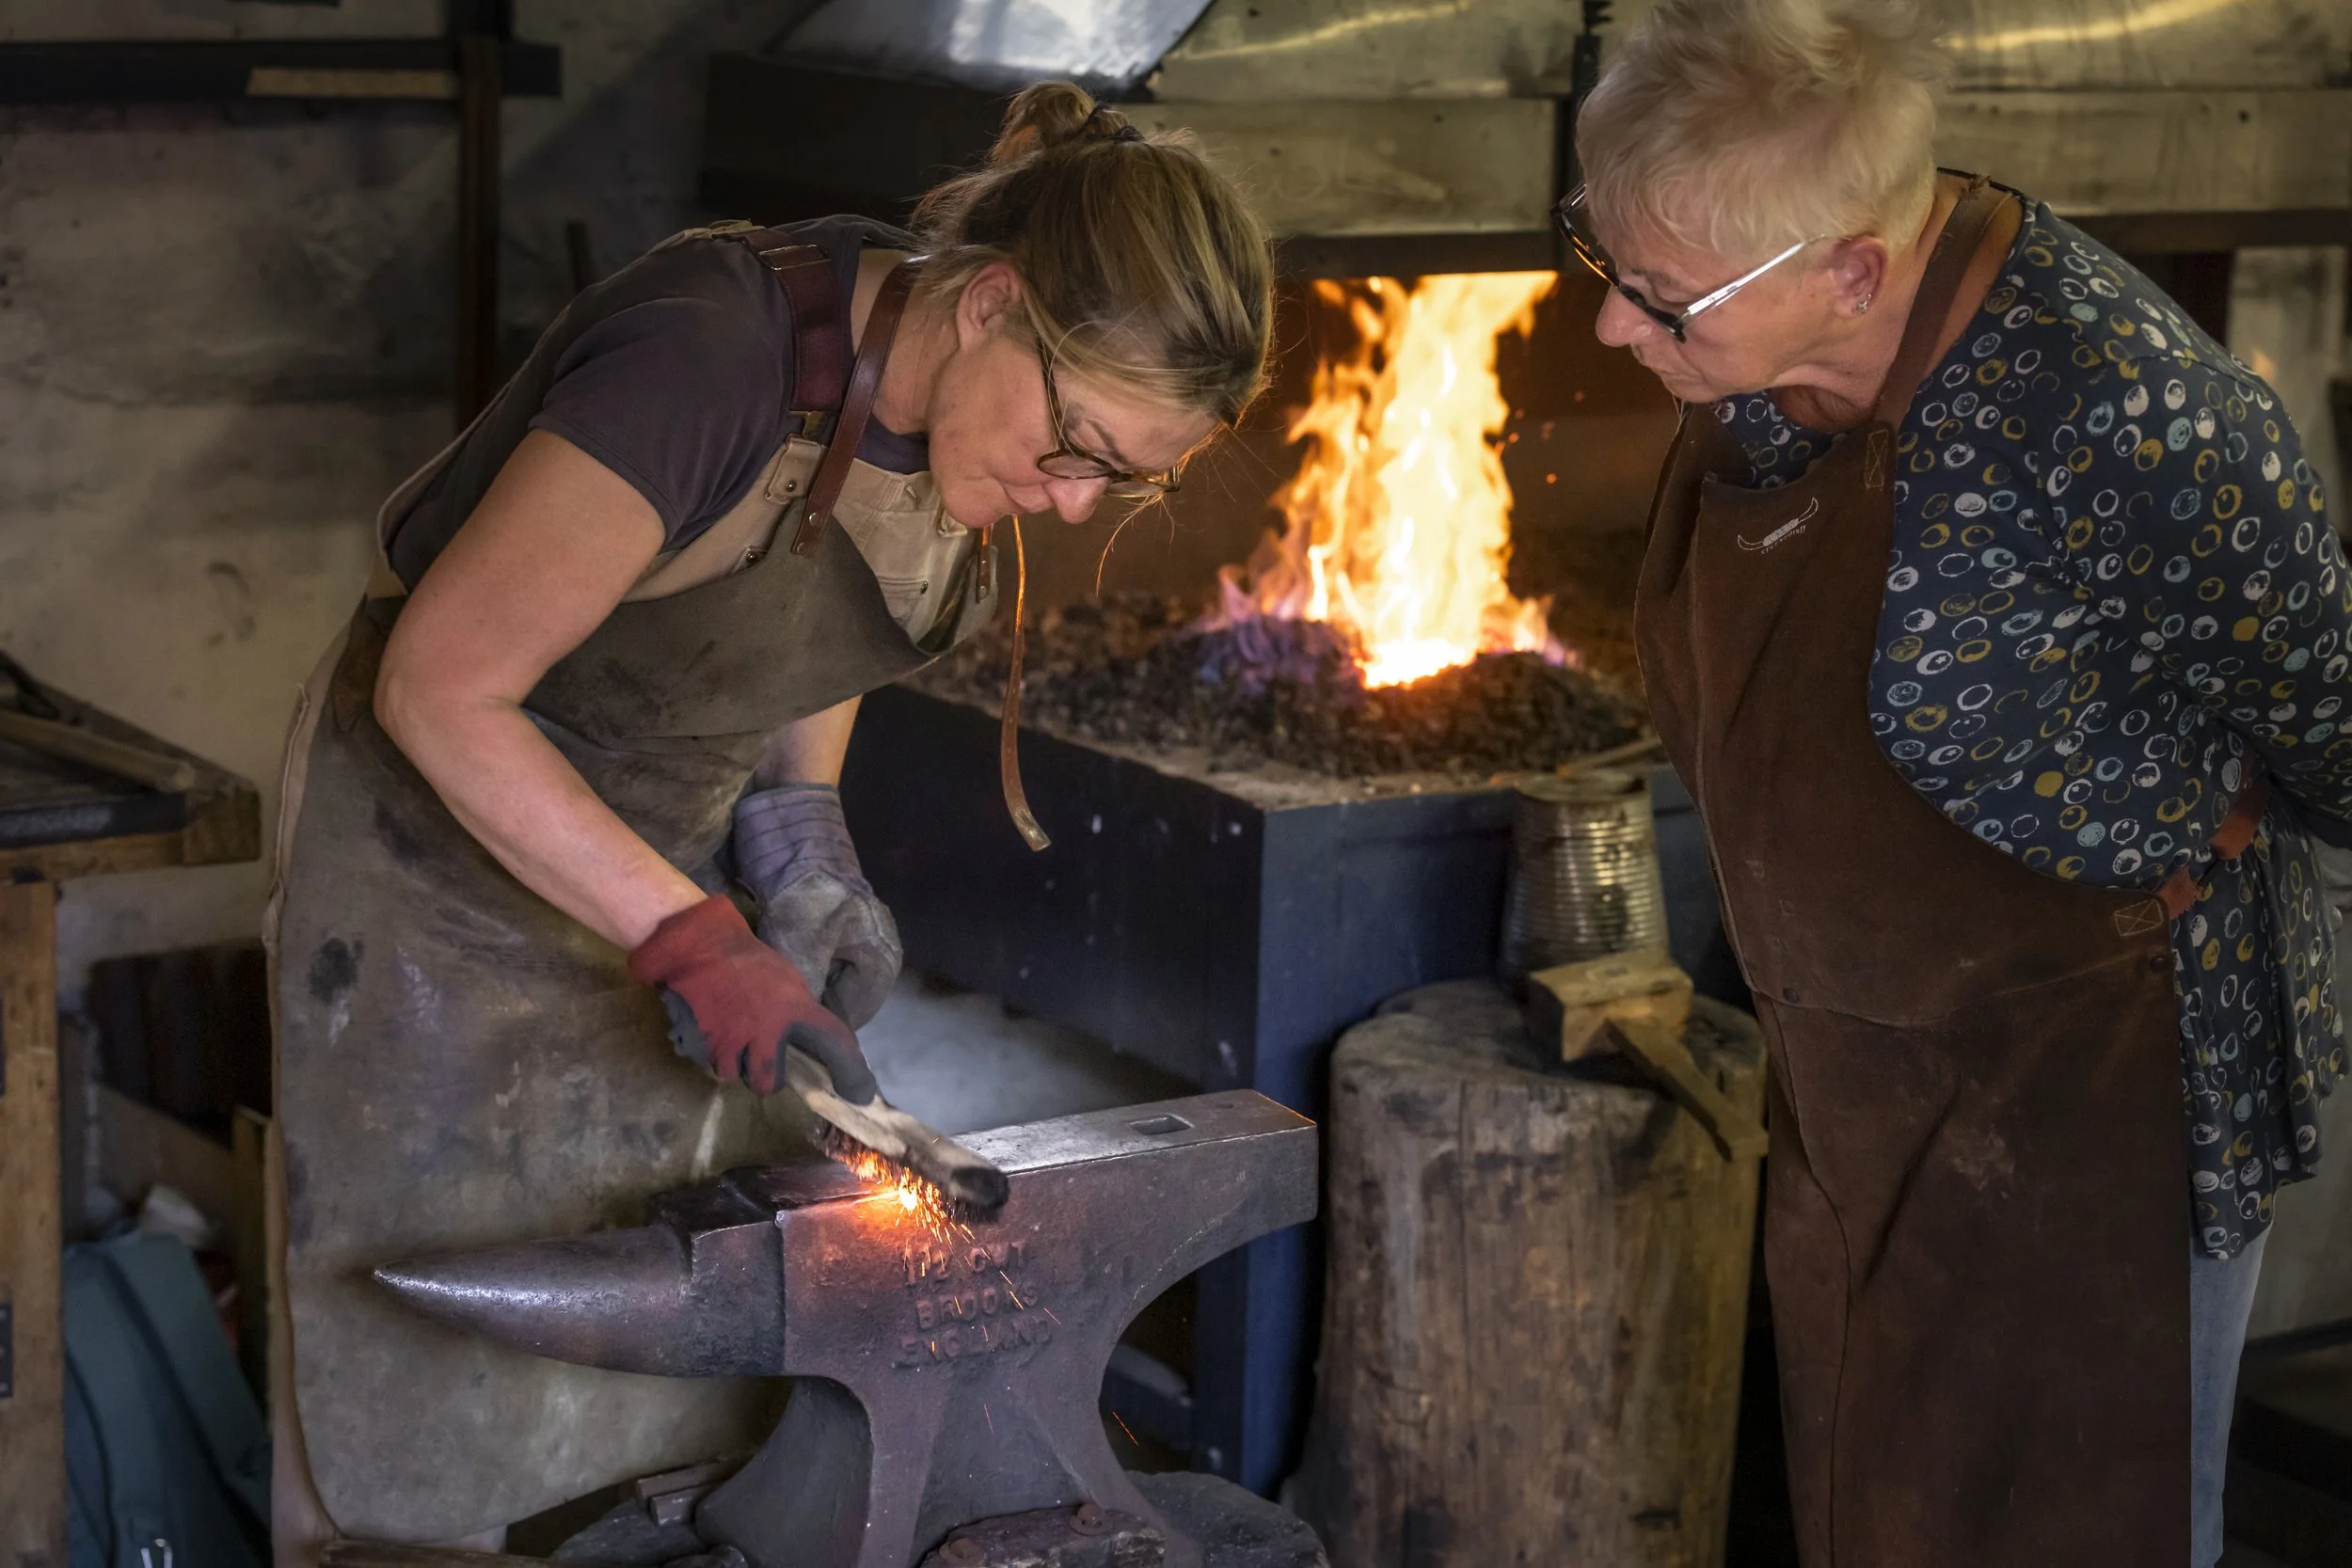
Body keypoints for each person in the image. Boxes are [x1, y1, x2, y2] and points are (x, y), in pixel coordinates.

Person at [262, 82, 1273, 1558]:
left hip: (666, 871)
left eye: (1124, 481)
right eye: (1078, 447)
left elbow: (817, 618)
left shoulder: (957, 401)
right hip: (436, 882)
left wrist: (797, 829)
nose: (1069, 503)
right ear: (994, 300)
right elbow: (444, 688)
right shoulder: (712, 355)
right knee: (418, 1382)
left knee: (667, 1378)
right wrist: (687, 931)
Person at [1565, 1, 2348, 1562]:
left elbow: (2334, 717)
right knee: (1878, 1504)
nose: (1611, 331)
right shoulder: (1750, 351)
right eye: (1603, 263)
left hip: (2100, 1102)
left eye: (1661, 301)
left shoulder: (2130, 411)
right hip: (1858, 1072)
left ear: (1852, 270)